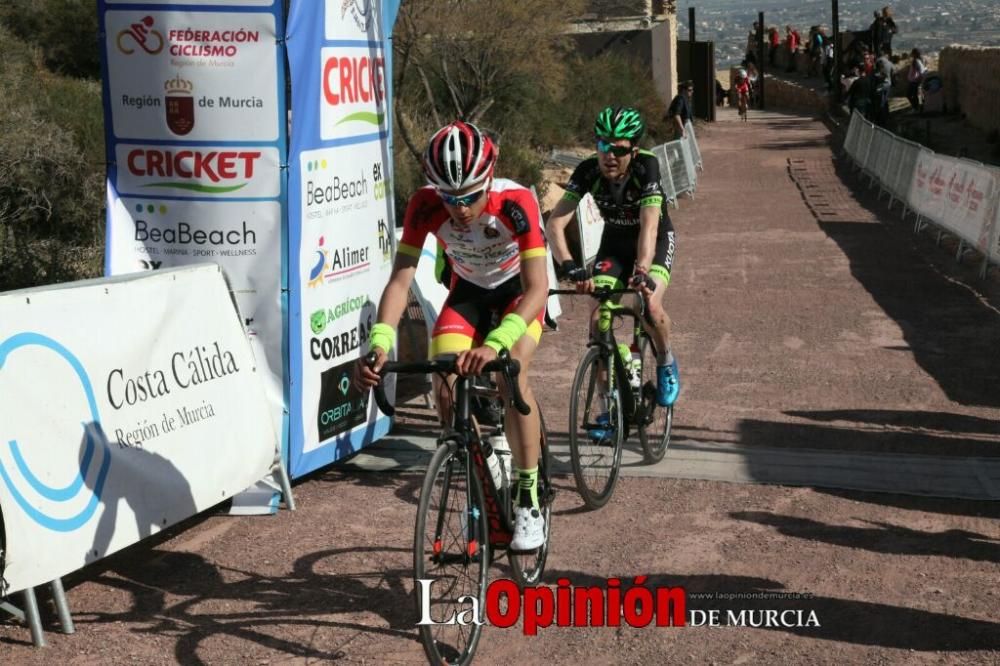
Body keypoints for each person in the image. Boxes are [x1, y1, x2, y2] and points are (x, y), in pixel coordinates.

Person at [354, 120, 549, 550]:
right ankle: (479, 466)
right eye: (449, 197)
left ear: (489, 179)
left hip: (518, 294)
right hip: (470, 292)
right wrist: (380, 343)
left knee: (509, 375)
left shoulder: (515, 203)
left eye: (469, 196)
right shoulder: (424, 206)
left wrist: (495, 343)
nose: (459, 208)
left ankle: (528, 495)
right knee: (443, 385)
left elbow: (538, 289)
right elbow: (400, 280)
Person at [546, 107, 680, 408]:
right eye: (603, 145)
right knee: (598, 318)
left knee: (651, 306)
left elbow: (649, 225)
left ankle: (665, 360)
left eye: (619, 149)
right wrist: (570, 266)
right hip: (615, 242)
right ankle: (609, 408)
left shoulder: (647, 166)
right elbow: (555, 224)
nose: (609, 155)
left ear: (633, 149)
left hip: (654, 240)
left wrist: (642, 270)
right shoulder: (588, 170)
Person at [873, 47, 894, 125]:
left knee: (880, 102)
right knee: (885, 100)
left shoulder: (878, 61)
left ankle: (881, 119)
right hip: (888, 83)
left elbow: (875, 71)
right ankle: (886, 116)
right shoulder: (889, 62)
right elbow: (894, 72)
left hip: (880, 85)